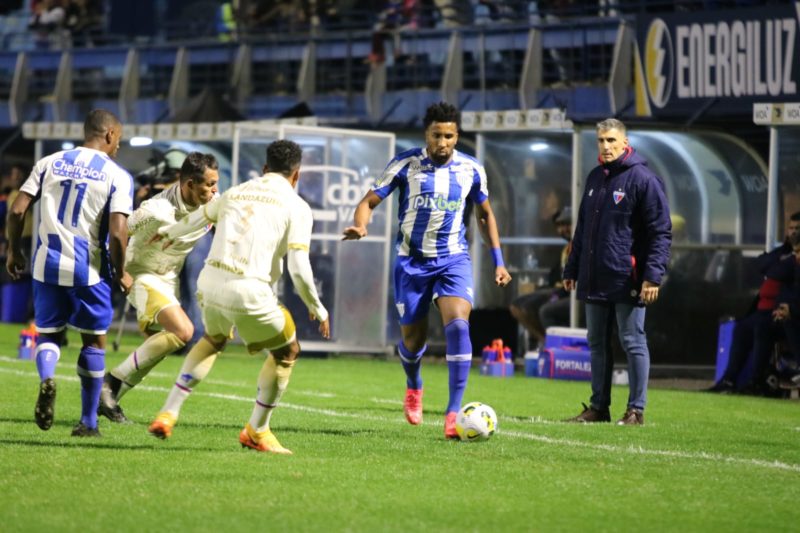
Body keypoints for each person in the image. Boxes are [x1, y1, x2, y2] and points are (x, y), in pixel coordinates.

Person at [147, 140, 330, 455]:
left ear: (263, 169)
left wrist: (168, 234)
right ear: (296, 175)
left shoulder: (236, 191)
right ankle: (257, 430)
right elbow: (299, 267)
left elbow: (200, 218)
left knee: (213, 339)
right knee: (288, 350)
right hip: (248, 291)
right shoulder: (297, 206)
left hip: (210, 283)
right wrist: (318, 308)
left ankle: (169, 411)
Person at [342, 101, 512, 438]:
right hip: (412, 262)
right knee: (412, 341)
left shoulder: (472, 170)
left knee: (459, 327)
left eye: (449, 136)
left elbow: (485, 214)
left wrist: (499, 261)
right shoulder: (406, 164)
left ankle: (453, 413)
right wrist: (361, 225)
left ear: (457, 135)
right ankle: (413, 383)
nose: (443, 142)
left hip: (453, 260)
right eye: (437, 135)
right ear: (427, 134)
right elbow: (368, 202)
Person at [6, 109, 133, 437]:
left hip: (45, 264)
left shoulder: (49, 162)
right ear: (108, 135)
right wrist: (121, 271)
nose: (118, 144)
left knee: (48, 335)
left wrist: (13, 250)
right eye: (118, 137)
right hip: (87, 269)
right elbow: (118, 232)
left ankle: (47, 378)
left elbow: (17, 209)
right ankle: (88, 423)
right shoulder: (116, 174)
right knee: (94, 342)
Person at [563, 118, 671, 426]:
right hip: (594, 274)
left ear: (625, 142)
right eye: (601, 141)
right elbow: (582, 229)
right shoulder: (595, 177)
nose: (606, 146)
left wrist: (652, 275)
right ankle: (599, 408)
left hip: (628, 277)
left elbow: (660, 231)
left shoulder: (643, 179)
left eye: (612, 140)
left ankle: (636, 410)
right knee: (596, 341)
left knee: (632, 340)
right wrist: (572, 267)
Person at [97, 152, 219, 423]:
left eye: (215, 184)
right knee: (183, 330)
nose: (214, 190)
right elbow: (118, 233)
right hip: (140, 275)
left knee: (161, 345)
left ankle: (109, 397)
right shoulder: (155, 210)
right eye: (209, 185)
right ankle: (108, 383)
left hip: (168, 280)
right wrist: (120, 273)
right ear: (188, 184)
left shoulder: (213, 204)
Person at [707, 212, 800, 394]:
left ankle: (757, 380)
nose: (794, 232)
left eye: (798, 229)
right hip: (768, 311)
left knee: (762, 327)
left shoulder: (793, 262)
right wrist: (783, 258)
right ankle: (729, 379)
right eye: (792, 228)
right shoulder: (783, 253)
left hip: (783, 313)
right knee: (742, 327)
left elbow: (780, 273)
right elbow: (761, 264)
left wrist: (790, 309)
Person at [510, 206, 573, 349]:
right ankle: (545, 342)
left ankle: (557, 349)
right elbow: (556, 277)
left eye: (567, 224)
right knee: (518, 306)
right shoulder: (566, 249)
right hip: (559, 291)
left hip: (572, 295)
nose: (563, 230)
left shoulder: (579, 246)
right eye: (560, 226)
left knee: (545, 311)